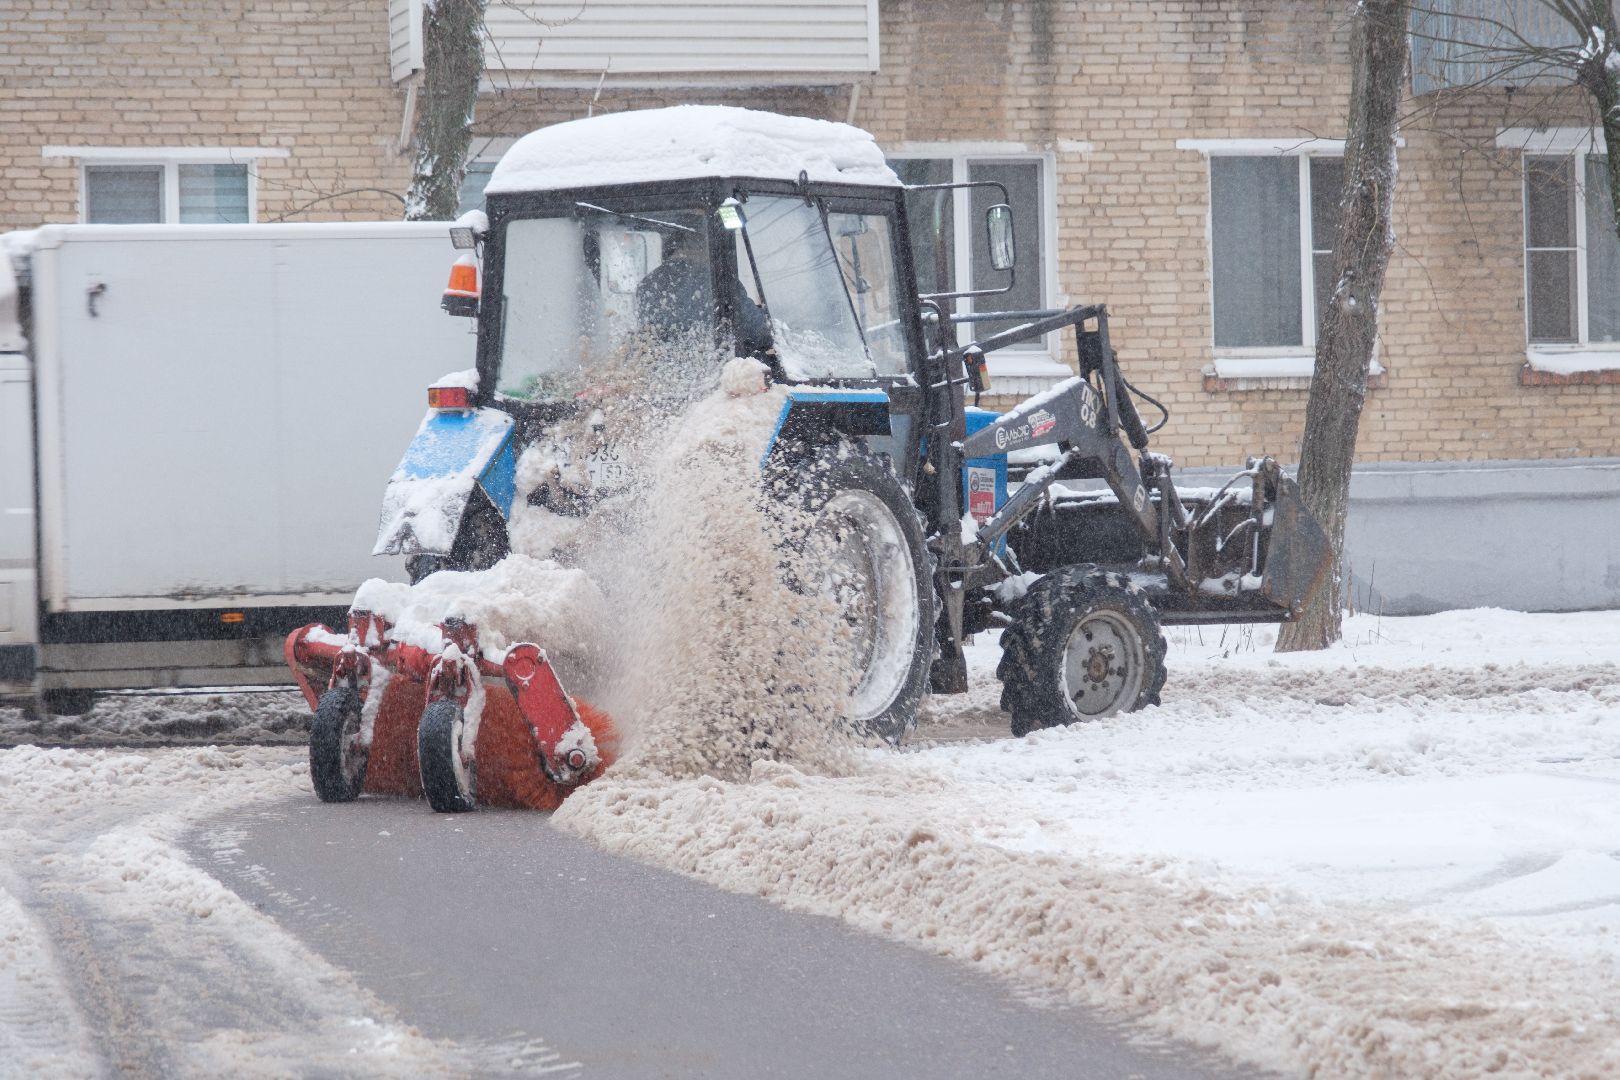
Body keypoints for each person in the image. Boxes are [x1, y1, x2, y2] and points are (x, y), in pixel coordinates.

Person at [636, 227, 773, 359]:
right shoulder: (717, 280)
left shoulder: (648, 284)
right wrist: (774, 332)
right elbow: (756, 329)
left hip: (663, 371)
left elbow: (651, 333)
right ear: (701, 243)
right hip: (713, 371)